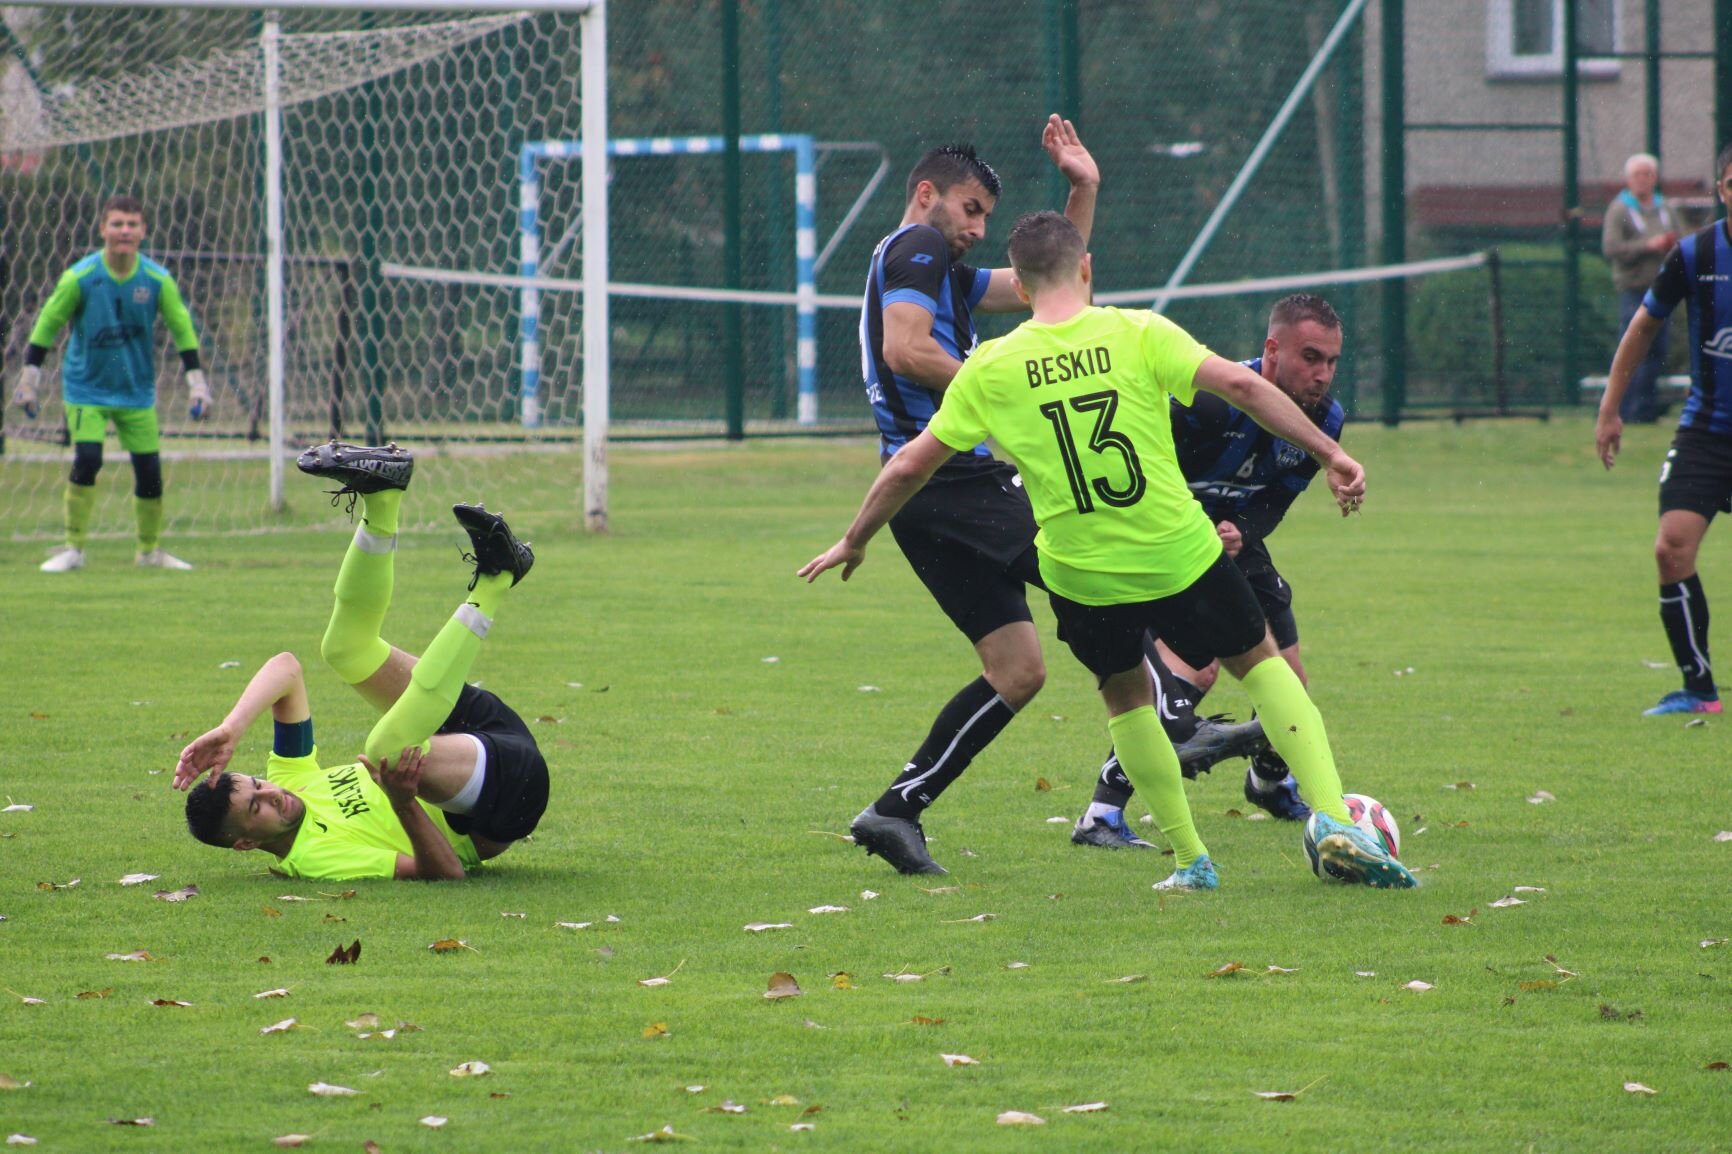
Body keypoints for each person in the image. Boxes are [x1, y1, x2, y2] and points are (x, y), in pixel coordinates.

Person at [804, 210, 1416, 891]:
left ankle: (1191, 862)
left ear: (1025, 289)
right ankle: (1335, 820)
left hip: (1080, 573)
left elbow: (909, 467)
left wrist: (854, 539)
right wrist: (1332, 453)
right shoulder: (1137, 330)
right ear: (1086, 269)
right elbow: (1244, 385)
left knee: (1126, 698)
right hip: (1175, 549)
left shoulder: (992, 366)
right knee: (1260, 664)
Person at [845, 117, 1260, 876]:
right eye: (970, 209)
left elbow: (1047, 282)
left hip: (925, 501)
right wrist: (993, 395)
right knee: (1098, 564)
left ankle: (895, 810)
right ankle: (1172, 715)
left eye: (986, 219)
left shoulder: (931, 267)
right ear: (927, 194)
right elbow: (904, 350)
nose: (977, 228)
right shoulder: (920, 245)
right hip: (956, 480)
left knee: (1019, 671)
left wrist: (1082, 190)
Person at [176, 441, 546, 880]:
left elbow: (287, 669)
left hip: (478, 735)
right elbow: (446, 873)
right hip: (502, 798)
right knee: (384, 752)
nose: (273, 794)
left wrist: (232, 727)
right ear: (246, 843)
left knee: (343, 649)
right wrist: (402, 802)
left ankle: (382, 495)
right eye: (256, 807)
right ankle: (495, 580)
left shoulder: (291, 783)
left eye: (258, 784)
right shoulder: (315, 857)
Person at [1075, 295, 1348, 841]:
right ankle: (1102, 812)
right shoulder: (1209, 402)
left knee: (1289, 678)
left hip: (1234, 549)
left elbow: (1275, 499)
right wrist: (1196, 524)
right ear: (1272, 349)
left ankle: (1269, 783)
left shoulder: (1325, 419)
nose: (1322, 375)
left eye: (1332, 362)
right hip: (1171, 546)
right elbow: (1142, 466)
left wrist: (1243, 530)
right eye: (1311, 358)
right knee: (1189, 675)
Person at [1596, 143, 1732, 717]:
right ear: (1723, 188)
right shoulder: (1695, 252)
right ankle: (1699, 690)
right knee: (1671, 548)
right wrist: (1610, 408)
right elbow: (1642, 328)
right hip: (1705, 432)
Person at [10, 194, 212, 572]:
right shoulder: (81, 277)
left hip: (136, 392)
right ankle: (74, 548)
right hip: (86, 388)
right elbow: (48, 324)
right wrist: (29, 380)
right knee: (88, 459)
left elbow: (182, 328)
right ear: (102, 229)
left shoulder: (156, 279)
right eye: (117, 224)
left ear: (143, 231)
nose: (124, 231)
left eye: (132, 224)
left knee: (149, 470)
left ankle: (149, 551)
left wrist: (197, 384)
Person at [1601, 154, 1682, 425]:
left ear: (1655, 179)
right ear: (1628, 179)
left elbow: (1682, 243)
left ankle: (1646, 410)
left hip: (1662, 290)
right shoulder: (1620, 210)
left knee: (1658, 352)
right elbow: (1611, 248)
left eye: (1648, 174)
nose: (1643, 179)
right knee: (1634, 349)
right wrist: (1647, 245)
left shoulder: (1665, 209)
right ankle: (1628, 410)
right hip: (1634, 290)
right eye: (1638, 174)